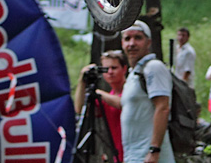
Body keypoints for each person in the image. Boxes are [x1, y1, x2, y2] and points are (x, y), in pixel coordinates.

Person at [120, 20, 174, 163]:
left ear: (148, 42)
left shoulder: (153, 67)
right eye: (127, 38)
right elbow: (125, 105)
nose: (132, 43)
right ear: (122, 44)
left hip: (149, 156)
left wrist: (154, 150)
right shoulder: (134, 74)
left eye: (138, 38)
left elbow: (162, 107)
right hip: (134, 155)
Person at [74, 49, 128, 162]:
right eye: (105, 69)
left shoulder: (131, 90)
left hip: (135, 151)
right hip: (119, 154)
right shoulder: (107, 98)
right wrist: (82, 80)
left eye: (114, 68)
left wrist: (98, 93)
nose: (110, 72)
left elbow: (123, 103)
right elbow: (79, 109)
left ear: (124, 69)